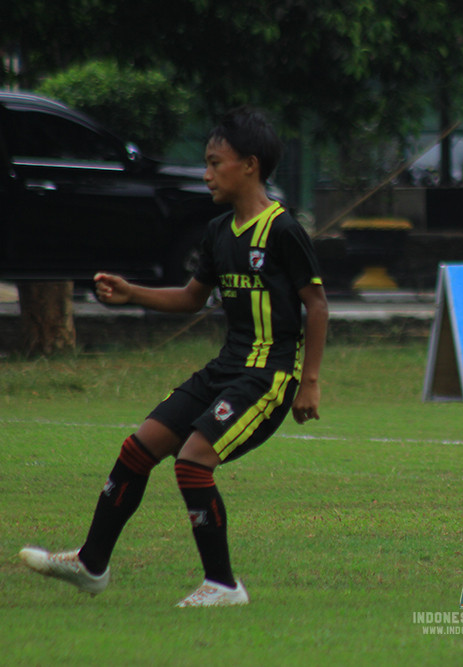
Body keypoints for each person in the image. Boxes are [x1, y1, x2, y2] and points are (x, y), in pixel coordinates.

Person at [18, 106, 329, 607]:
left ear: (249, 165)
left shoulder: (283, 230)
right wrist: (131, 293)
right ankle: (92, 563)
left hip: (268, 375)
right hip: (226, 368)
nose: (206, 174)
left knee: (192, 464)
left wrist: (308, 380)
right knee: (138, 448)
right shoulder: (217, 233)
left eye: (214, 163)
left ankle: (223, 585)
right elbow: (190, 298)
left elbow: (316, 304)